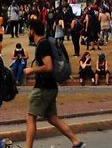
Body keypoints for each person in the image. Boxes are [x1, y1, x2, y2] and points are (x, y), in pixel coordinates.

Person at [23, 20, 84, 148]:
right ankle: (76, 141)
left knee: (31, 117)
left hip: (43, 88)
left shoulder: (42, 45)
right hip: (50, 86)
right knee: (52, 118)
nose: (29, 32)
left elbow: (49, 66)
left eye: (29, 29)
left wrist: (32, 69)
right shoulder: (45, 43)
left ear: (32, 30)